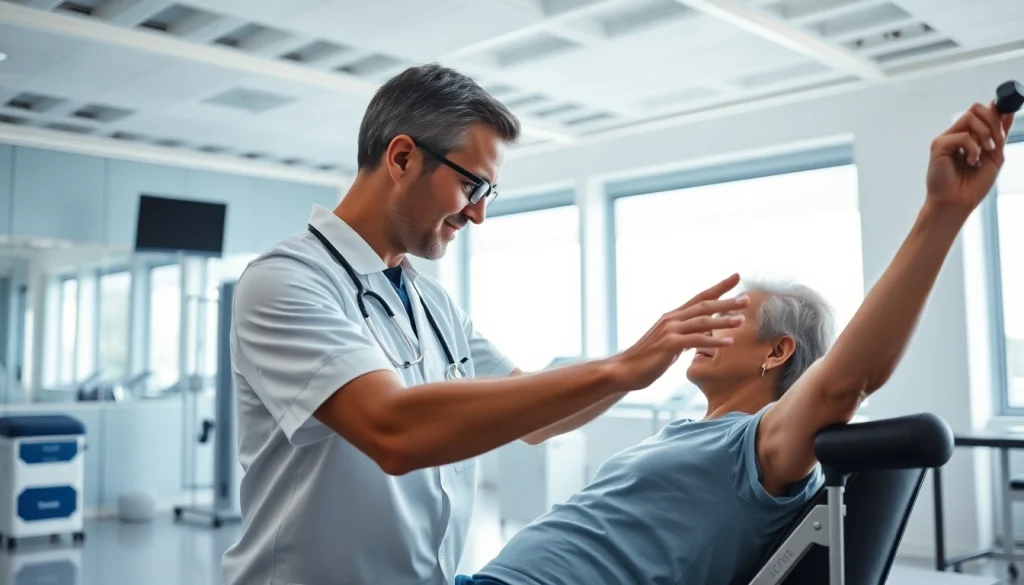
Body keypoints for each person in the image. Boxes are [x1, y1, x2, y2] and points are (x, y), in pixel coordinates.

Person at [221, 63, 752, 585]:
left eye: (487, 195)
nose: (478, 215)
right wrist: (621, 370)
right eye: (473, 186)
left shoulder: (430, 300)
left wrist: (645, 360)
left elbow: (535, 416)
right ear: (403, 157)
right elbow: (393, 429)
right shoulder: (287, 281)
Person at [452, 100, 1016, 585]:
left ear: (778, 351)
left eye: (730, 319)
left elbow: (846, 381)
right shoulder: (695, 433)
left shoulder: (759, 445)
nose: (706, 327)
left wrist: (940, 214)